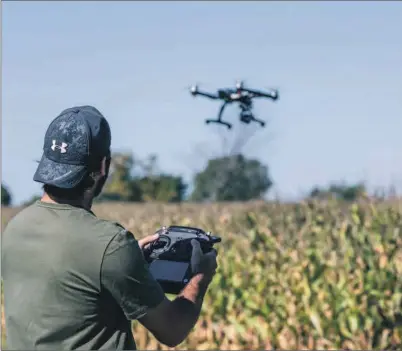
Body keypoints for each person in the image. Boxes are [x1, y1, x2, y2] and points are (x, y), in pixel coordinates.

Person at [2, 106, 218, 350]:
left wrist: (123, 257)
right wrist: (200, 276)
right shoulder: (109, 244)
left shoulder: (14, 229)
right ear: (103, 166)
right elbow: (172, 330)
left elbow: (68, 279)